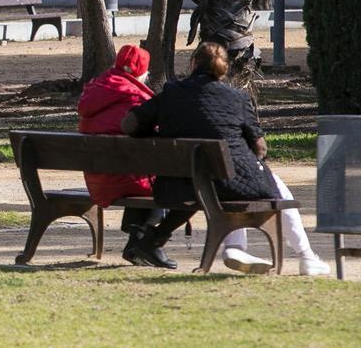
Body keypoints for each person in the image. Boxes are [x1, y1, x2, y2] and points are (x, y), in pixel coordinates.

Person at [121, 42, 329, 275]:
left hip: (179, 185)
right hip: (229, 182)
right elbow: (260, 148)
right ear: (223, 69)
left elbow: (129, 123)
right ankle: (306, 257)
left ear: (193, 64)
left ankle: (235, 246)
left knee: (223, 176)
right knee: (275, 190)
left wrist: (156, 136)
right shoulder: (236, 98)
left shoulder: (171, 93)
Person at [77, 45, 163, 265]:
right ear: (142, 72)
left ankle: (136, 240)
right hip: (122, 181)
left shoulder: (95, 91)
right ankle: (140, 241)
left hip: (97, 179)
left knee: (140, 172)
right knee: (165, 180)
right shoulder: (137, 98)